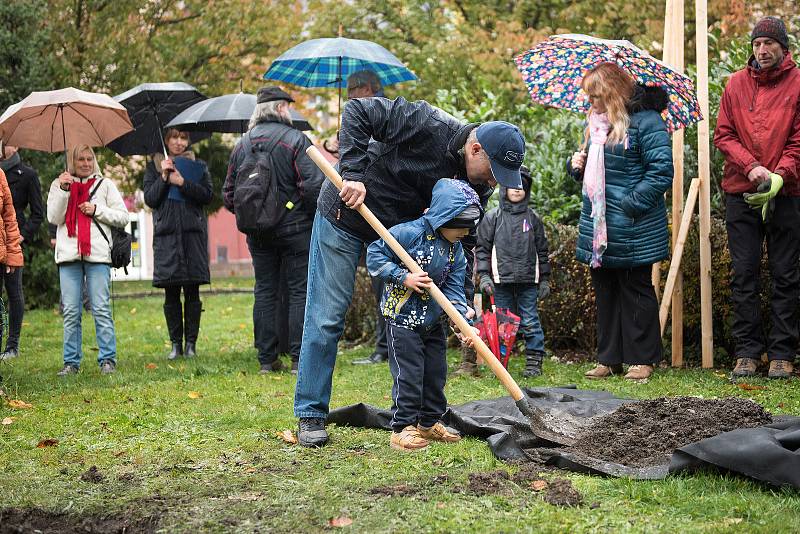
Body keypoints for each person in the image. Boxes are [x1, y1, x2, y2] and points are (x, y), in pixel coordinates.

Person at [293, 92, 526, 448]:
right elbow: (358, 110)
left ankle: (417, 418)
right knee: (327, 317)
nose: (495, 183)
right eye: (495, 173)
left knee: (412, 323)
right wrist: (353, 174)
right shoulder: (426, 124)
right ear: (475, 149)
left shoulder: (479, 185)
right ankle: (310, 413)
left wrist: (461, 309)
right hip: (346, 215)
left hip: (400, 238)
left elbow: (461, 244)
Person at [567, 63, 673, 381]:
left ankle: (643, 359)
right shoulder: (598, 124)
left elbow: (661, 171)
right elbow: (596, 175)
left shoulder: (647, 122)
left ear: (612, 94)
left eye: (596, 97)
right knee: (606, 290)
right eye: (589, 97)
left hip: (632, 224)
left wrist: (628, 204)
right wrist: (577, 165)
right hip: (600, 226)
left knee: (636, 290)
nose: (591, 104)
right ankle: (609, 358)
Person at [714, 17, 800, 380]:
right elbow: (723, 134)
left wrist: (780, 176)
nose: (762, 51)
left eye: (768, 44)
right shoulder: (735, 84)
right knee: (744, 273)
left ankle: (782, 353)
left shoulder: (798, 84)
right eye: (756, 44)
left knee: (786, 274)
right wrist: (751, 169)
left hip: (789, 192)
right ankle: (747, 352)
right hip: (741, 190)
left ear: (784, 48)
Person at [366, 179, 481, 450]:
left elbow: (454, 291)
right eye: (461, 225)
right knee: (409, 374)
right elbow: (374, 256)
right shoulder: (406, 234)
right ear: (443, 218)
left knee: (436, 373)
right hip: (402, 321)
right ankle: (402, 427)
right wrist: (403, 276)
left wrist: (463, 323)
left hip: (432, 323)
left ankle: (428, 423)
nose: (465, 232)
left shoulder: (455, 251)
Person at [223, 86, 324, 375]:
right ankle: (297, 359)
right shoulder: (296, 140)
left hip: (258, 233)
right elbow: (313, 187)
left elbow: (229, 194)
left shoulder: (242, 145)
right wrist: (298, 213)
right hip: (295, 231)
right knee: (298, 291)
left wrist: (255, 217)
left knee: (264, 290)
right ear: (280, 108)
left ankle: (267, 360)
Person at [47, 145, 129, 376]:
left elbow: (122, 217)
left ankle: (107, 360)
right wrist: (64, 190)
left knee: (101, 308)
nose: (85, 163)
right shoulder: (59, 184)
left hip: (97, 256)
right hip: (69, 255)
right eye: (80, 159)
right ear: (72, 162)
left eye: (89, 158)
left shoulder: (105, 185)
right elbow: (54, 217)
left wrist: (97, 210)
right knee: (72, 311)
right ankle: (71, 363)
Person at [143, 129, 213, 359]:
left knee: (192, 291)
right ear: (166, 140)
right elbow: (151, 199)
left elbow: (207, 196)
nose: (179, 142)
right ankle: (176, 344)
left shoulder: (198, 166)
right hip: (167, 238)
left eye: (183, 137)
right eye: (174, 137)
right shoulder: (154, 167)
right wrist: (164, 177)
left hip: (192, 237)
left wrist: (182, 182)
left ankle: (191, 344)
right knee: (171, 293)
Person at [476, 166, 550, 377]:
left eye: (522, 187)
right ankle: (500, 363)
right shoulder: (493, 217)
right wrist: (484, 276)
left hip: (528, 281)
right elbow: (482, 250)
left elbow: (542, 251)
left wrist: (544, 279)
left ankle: (534, 362)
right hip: (500, 282)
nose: (517, 190)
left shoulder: (533, 218)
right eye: (513, 186)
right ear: (504, 189)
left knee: (530, 321)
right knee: (502, 325)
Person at [0, 144, 42, 360]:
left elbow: (37, 214)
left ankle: (12, 345)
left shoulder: (27, 174)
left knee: (14, 293)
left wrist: (20, 236)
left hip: (14, 239)